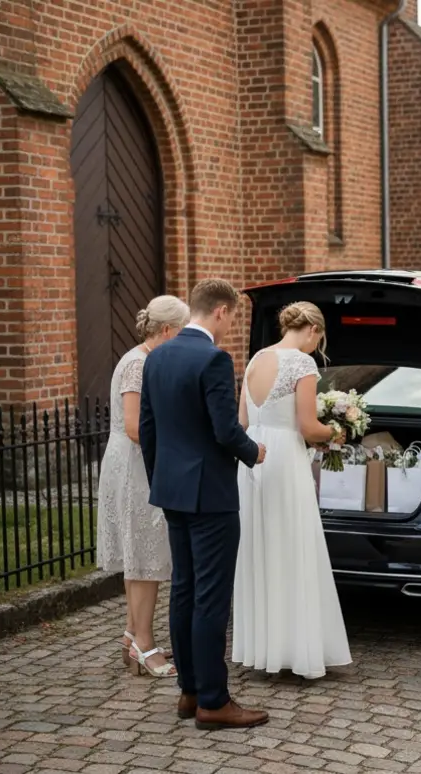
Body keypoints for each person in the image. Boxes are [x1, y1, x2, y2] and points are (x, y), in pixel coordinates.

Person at [140, 278, 268, 730]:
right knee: (211, 598)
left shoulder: (156, 358)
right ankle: (214, 700)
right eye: (231, 315)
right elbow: (224, 429)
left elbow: (149, 430)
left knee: (185, 591)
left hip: (173, 491)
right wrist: (255, 451)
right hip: (210, 496)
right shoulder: (213, 358)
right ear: (219, 311)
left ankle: (190, 692)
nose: (230, 324)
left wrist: (162, 482)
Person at [232, 301, 352, 679]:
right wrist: (335, 432)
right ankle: (294, 652)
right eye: (321, 337)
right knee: (291, 546)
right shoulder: (302, 363)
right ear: (314, 330)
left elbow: (242, 421)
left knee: (259, 547)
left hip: (252, 458)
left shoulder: (255, 360)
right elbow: (307, 425)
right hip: (284, 460)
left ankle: (261, 649)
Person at [97, 295, 189, 678]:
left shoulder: (144, 357)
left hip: (138, 464)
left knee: (141, 556)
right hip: (135, 467)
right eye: (181, 333)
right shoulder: (138, 364)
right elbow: (135, 427)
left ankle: (132, 635)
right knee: (145, 559)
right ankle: (145, 645)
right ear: (166, 331)